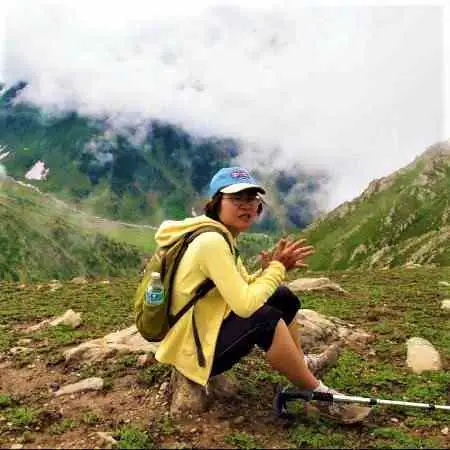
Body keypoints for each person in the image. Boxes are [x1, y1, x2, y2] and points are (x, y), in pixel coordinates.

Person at [154, 166, 371, 424]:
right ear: (215, 203)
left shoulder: (218, 236)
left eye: (252, 199)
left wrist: (268, 272)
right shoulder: (211, 242)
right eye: (236, 199)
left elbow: (242, 288)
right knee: (263, 318)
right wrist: (277, 268)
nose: (246, 206)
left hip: (205, 328)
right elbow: (246, 306)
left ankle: (301, 365)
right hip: (195, 351)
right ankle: (317, 395)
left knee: (282, 297)